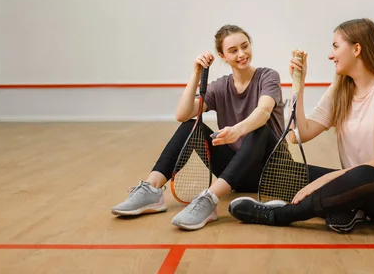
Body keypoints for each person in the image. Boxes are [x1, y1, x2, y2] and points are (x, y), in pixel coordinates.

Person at [228, 18, 374, 233]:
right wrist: (298, 86)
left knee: (362, 175)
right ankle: (345, 208)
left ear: (357, 49)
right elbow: (304, 132)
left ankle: (278, 215)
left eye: (336, 46)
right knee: (289, 171)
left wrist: (327, 180)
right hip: (352, 183)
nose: (331, 55)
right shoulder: (341, 90)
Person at [111, 24, 285, 231]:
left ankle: (209, 199)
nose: (241, 54)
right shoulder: (220, 86)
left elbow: (264, 112)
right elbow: (182, 114)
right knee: (192, 125)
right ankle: (151, 189)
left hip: (269, 169)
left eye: (245, 46)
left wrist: (237, 130)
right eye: (233, 50)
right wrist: (196, 73)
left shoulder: (268, 76)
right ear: (222, 55)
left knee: (260, 129)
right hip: (235, 173)